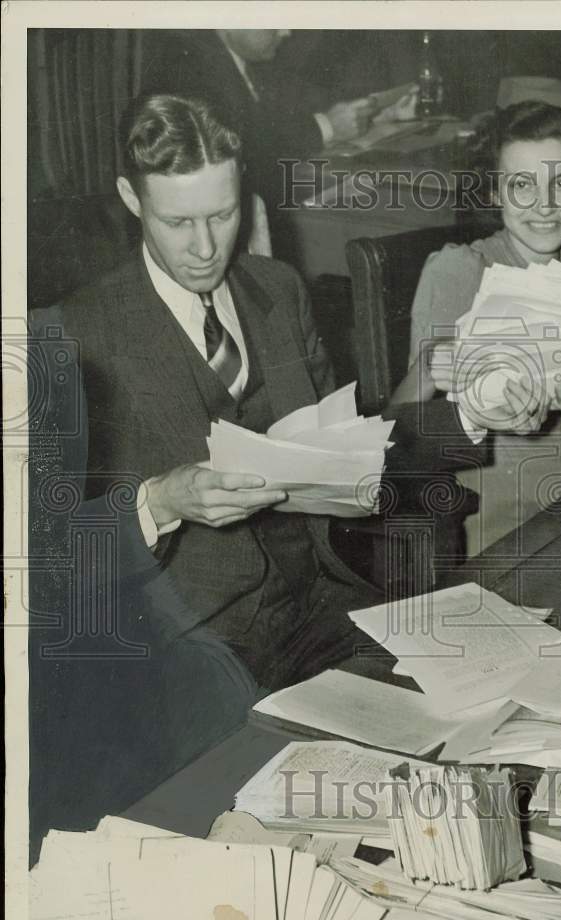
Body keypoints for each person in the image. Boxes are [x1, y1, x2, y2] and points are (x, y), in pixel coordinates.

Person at [49, 92, 468, 693]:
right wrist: (160, 502)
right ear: (129, 198)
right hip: (187, 652)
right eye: (177, 222)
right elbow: (42, 554)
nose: (204, 248)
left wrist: (464, 418)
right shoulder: (76, 332)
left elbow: (341, 447)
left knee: (462, 706)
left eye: (222, 216)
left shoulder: (278, 289)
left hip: (326, 605)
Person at [391, 101, 561, 555]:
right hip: (483, 517)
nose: (545, 205)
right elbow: (397, 435)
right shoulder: (461, 271)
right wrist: (430, 366)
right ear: (493, 192)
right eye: (522, 185)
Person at [141, 30, 414, 258]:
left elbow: (305, 107)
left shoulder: (251, 63)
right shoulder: (188, 61)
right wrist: (327, 126)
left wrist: (378, 115)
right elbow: (240, 146)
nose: (287, 32)